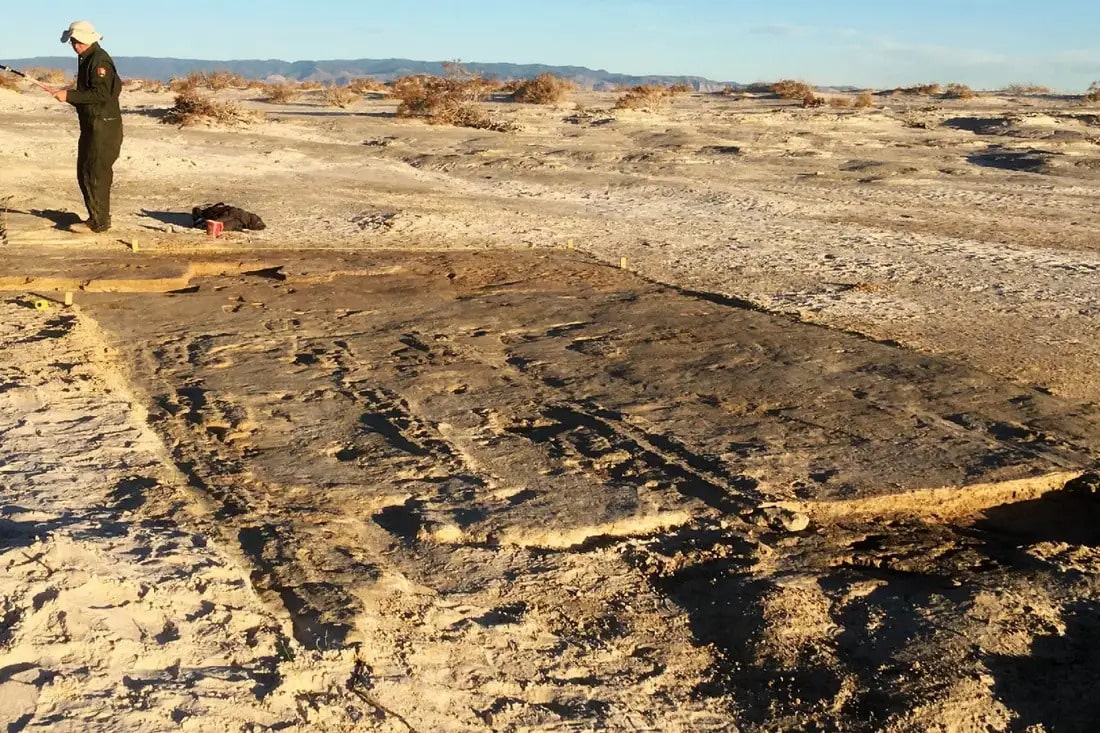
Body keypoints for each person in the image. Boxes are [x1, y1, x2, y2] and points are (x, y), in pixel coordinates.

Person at [51, 21, 123, 234]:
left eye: (75, 41)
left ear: (85, 39)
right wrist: (69, 94)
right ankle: (98, 216)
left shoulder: (99, 61)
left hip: (103, 127)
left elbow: (102, 94)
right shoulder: (88, 58)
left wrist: (69, 96)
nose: (73, 45)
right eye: (72, 41)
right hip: (94, 125)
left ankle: (98, 223)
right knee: (86, 171)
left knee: (95, 173)